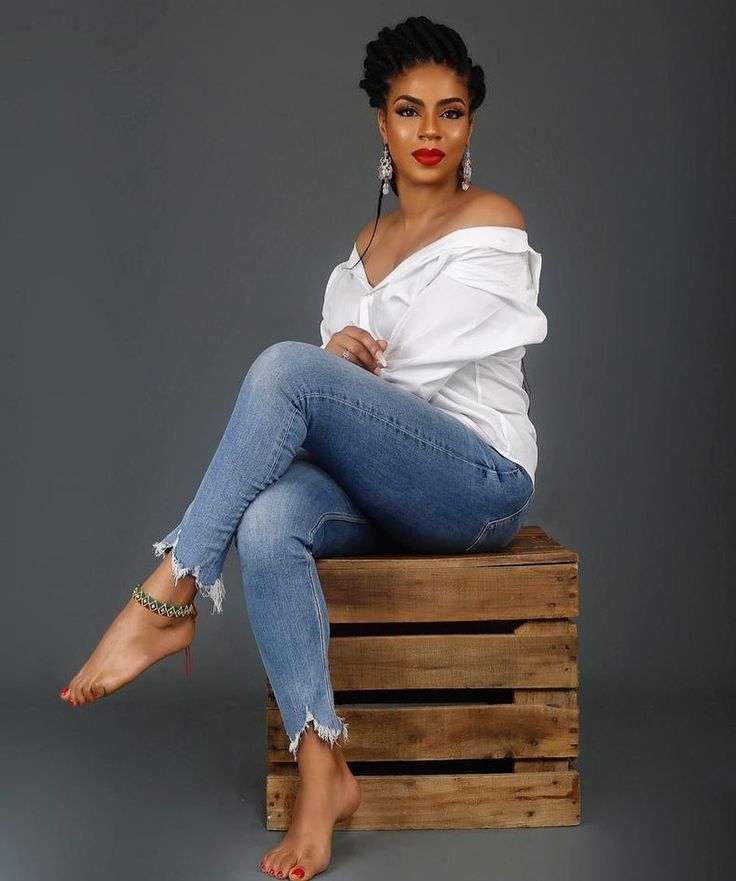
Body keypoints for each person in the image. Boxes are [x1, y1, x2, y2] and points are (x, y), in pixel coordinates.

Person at [58, 15, 548, 881]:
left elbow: (384, 376)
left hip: (480, 486)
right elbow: (336, 403)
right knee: (271, 517)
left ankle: (167, 593)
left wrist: (325, 377)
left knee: (290, 369)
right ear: (381, 123)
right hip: (390, 492)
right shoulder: (355, 258)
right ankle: (323, 769)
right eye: (408, 110)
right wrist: (326, 379)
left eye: (451, 111)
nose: (429, 132)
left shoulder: (492, 223)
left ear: (472, 123)